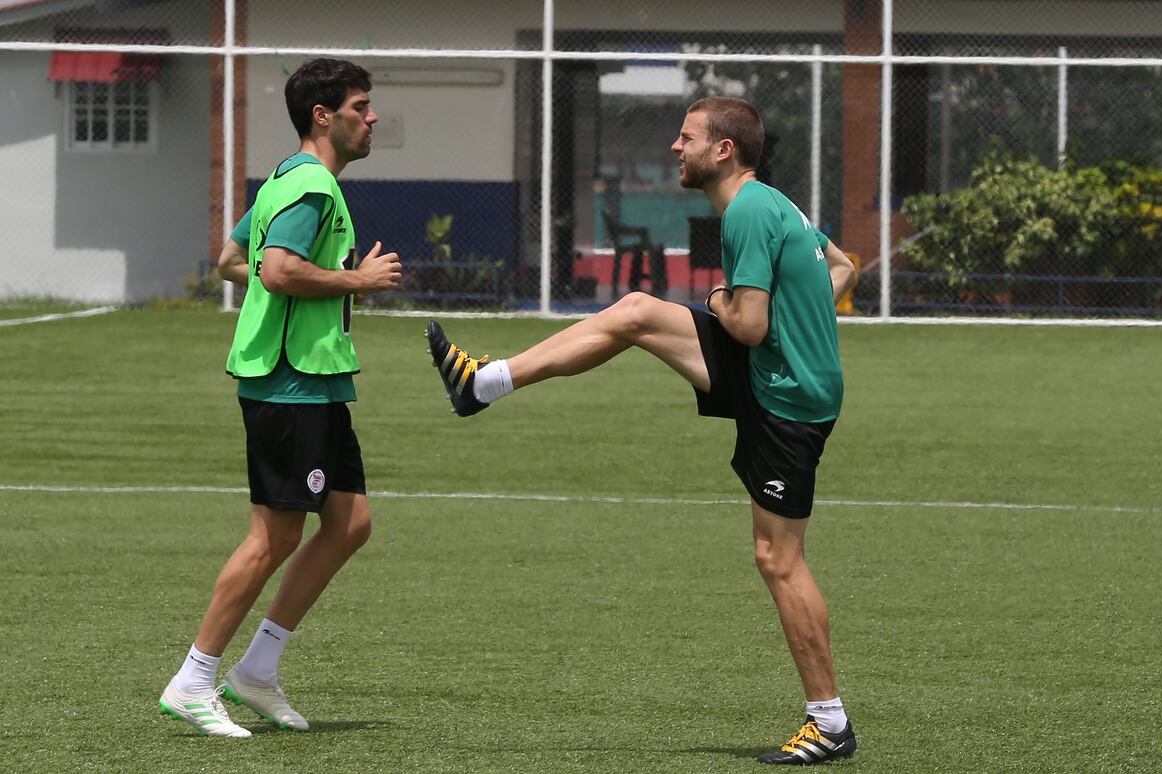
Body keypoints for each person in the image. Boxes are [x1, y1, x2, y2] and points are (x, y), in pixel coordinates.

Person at [426, 96, 859, 766]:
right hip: (784, 378)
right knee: (634, 312)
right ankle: (484, 383)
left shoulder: (746, 210)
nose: (673, 148)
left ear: (724, 151)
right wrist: (805, 329)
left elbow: (746, 325)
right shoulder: (776, 203)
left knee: (779, 560)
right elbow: (844, 268)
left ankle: (829, 722)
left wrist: (722, 301)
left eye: (685, 138)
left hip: (789, 400)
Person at [158, 58, 403, 738]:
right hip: (290, 384)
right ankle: (195, 678)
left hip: (316, 381)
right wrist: (357, 280)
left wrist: (298, 280)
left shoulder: (284, 179)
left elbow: (234, 261)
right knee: (275, 536)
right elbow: (274, 268)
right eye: (361, 106)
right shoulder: (315, 186)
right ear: (324, 116)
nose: (372, 116)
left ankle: (256, 672)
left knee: (350, 524)